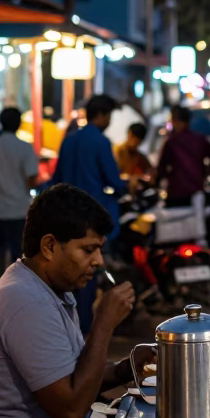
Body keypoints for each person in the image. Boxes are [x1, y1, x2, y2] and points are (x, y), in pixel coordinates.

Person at [0, 184, 137, 418]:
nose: (99, 262)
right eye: (88, 250)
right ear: (49, 246)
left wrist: (126, 368)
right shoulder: (23, 302)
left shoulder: (51, 290)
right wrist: (104, 324)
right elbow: (72, 410)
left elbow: (73, 378)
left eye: (99, 250)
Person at [51, 95, 127, 331]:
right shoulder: (100, 142)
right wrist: (125, 187)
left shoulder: (69, 140)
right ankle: (83, 329)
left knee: (66, 275)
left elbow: (56, 178)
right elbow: (114, 181)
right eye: (109, 116)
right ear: (101, 115)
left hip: (64, 218)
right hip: (90, 220)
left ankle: (67, 328)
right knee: (87, 275)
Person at [0, 106, 39, 276]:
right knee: (18, 255)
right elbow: (32, 179)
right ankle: (14, 288)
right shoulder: (24, 147)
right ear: (19, 124)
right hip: (19, 209)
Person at [156, 106, 210, 206]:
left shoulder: (172, 142)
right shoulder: (199, 140)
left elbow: (161, 167)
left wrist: (157, 181)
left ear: (176, 121)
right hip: (197, 190)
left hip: (176, 193)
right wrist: (208, 174)